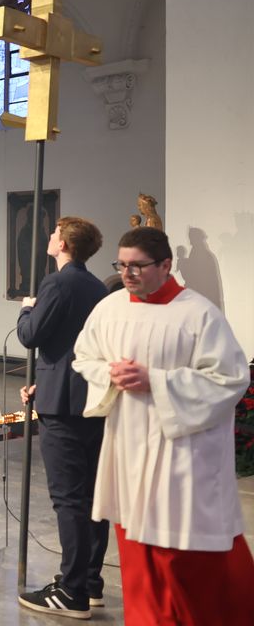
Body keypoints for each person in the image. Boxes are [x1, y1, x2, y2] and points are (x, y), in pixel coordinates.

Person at [66, 227, 254, 623]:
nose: (127, 273)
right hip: (128, 444)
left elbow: (230, 379)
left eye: (137, 266)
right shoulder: (110, 307)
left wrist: (157, 380)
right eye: (122, 265)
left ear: (166, 265)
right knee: (135, 545)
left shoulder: (199, 314)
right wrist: (110, 373)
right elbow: (84, 356)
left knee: (182, 551)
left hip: (181, 450)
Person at [14, 217, 110, 615]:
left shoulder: (57, 283)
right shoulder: (97, 287)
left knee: (69, 498)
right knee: (92, 497)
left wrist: (26, 310)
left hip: (63, 406)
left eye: (54, 233)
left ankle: (71, 593)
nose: (50, 238)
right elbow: (75, 345)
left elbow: (31, 335)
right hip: (89, 397)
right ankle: (89, 582)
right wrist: (46, 381)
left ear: (65, 243)